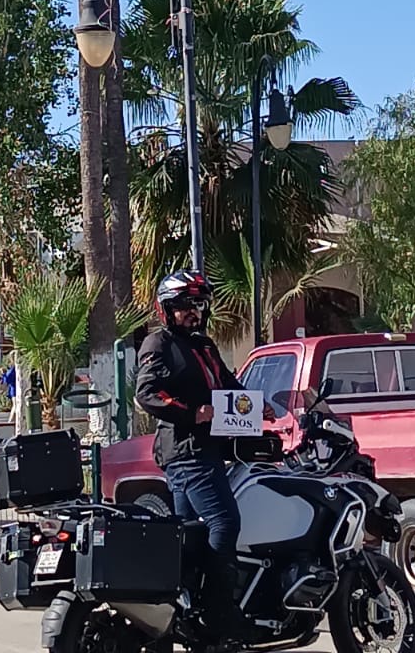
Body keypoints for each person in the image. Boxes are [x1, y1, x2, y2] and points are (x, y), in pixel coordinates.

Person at [135, 270, 274, 645]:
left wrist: (263, 409)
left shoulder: (205, 345)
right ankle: (220, 612)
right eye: (183, 306)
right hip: (187, 453)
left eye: (197, 304)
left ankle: (188, 612)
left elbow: (230, 386)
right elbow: (147, 394)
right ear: (166, 310)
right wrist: (191, 412)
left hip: (209, 451)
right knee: (224, 522)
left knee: (189, 536)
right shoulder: (158, 344)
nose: (192, 312)